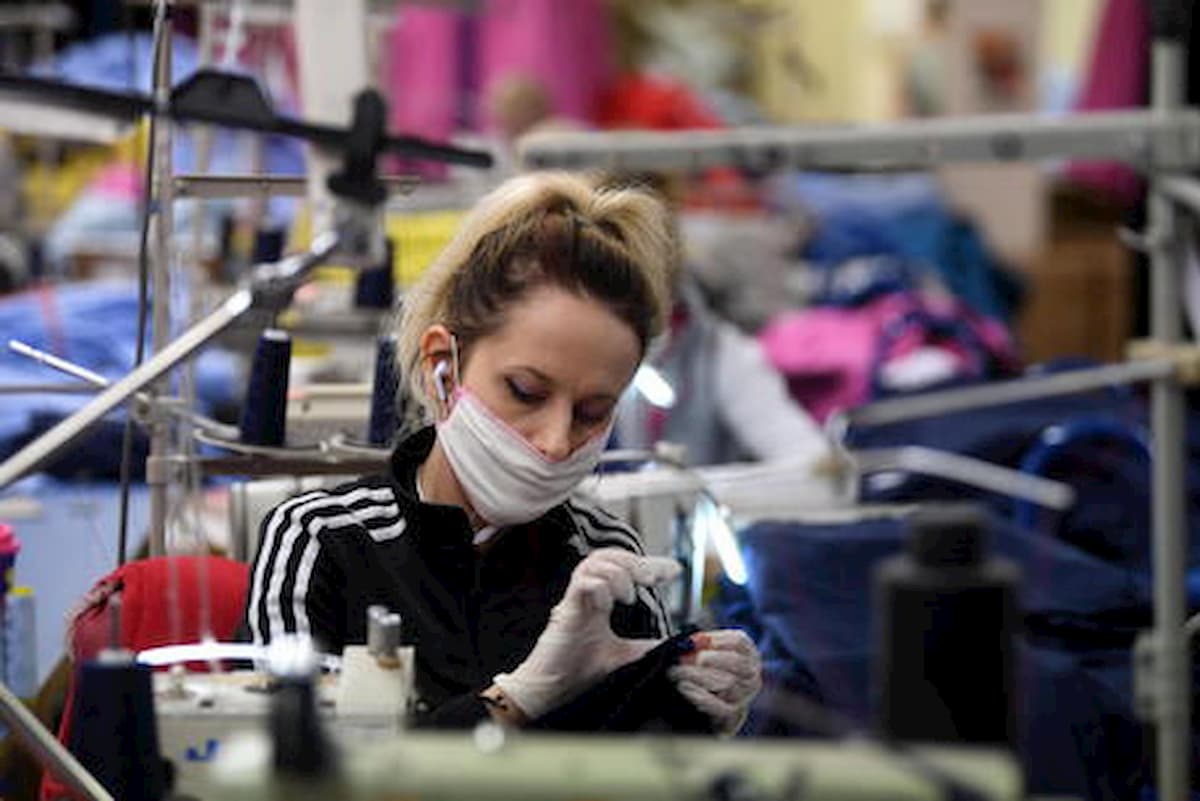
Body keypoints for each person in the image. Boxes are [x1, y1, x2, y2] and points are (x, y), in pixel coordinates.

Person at [243, 171, 762, 734]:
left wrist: (695, 709)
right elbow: (290, 768)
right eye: (526, 392)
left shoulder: (604, 558)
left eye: (592, 412)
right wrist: (521, 696)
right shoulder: (323, 542)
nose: (556, 441)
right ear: (443, 367)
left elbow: (642, 766)